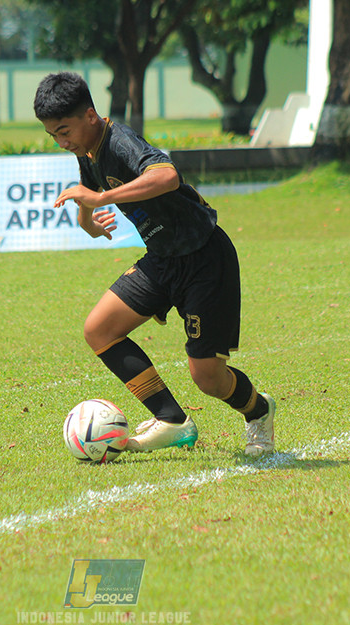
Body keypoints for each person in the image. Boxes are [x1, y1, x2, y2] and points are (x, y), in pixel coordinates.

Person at [33, 72, 274, 457]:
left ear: (90, 116)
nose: (62, 143)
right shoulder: (87, 150)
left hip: (204, 257)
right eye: (53, 136)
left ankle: (259, 411)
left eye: (64, 131)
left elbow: (166, 176)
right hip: (162, 259)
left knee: (207, 377)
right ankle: (173, 421)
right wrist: (89, 222)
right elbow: (89, 195)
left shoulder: (120, 140)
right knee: (99, 330)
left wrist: (102, 199)